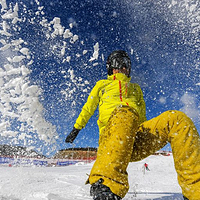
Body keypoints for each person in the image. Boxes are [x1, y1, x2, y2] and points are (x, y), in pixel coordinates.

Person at [65, 50, 200, 200]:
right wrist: (77, 128)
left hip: (135, 139)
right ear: (110, 67)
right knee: (124, 112)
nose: (123, 67)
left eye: (126, 64)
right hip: (112, 141)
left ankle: (195, 191)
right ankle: (106, 185)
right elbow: (88, 108)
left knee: (177, 118)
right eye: (118, 63)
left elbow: (142, 117)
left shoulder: (136, 89)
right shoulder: (102, 85)